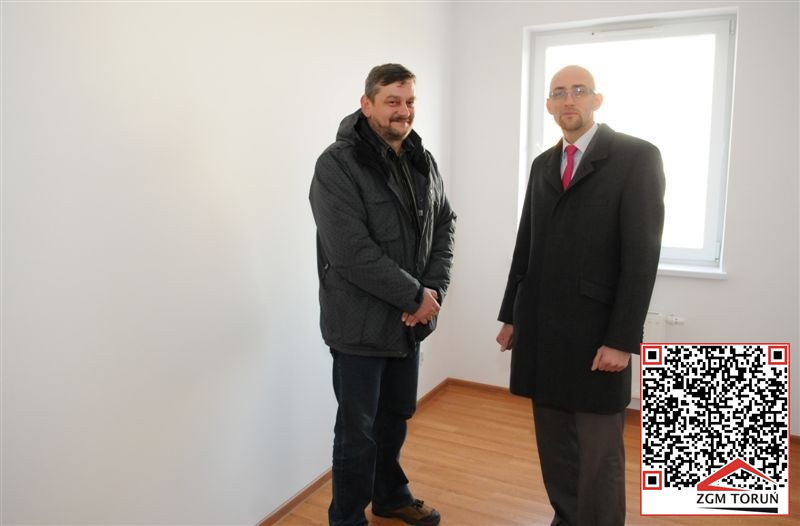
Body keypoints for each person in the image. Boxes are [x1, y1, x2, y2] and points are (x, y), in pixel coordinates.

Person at [496, 65, 665, 526]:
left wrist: (622, 340)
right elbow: (526, 245)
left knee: (598, 454)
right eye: (559, 93)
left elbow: (641, 258)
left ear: (597, 99)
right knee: (555, 446)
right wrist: (511, 315)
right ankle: (567, 517)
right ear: (549, 106)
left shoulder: (636, 157)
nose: (568, 100)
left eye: (579, 90)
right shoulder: (542, 165)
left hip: (597, 334)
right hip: (542, 329)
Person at [310, 64, 456, 526]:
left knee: (395, 417)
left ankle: (390, 496)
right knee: (357, 432)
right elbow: (351, 253)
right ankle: (347, 518)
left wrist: (432, 291)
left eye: (410, 101)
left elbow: (444, 225)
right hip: (359, 325)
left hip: (408, 324)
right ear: (367, 104)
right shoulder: (337, 164)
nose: (403, 111)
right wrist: (415, 296)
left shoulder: (421, 159)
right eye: (392, 101)